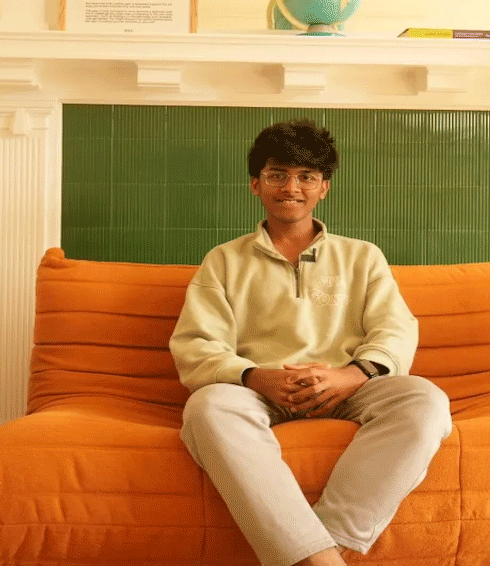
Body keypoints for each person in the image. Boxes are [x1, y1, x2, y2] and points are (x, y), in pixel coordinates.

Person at [169, 118, 453, 566]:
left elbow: (395, 329)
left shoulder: (363, 256)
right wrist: (257, 377)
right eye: (277, 174)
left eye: (306, 176)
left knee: (425, 400)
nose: (291, 187)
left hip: (348, 387)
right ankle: (319, 558)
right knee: (206, 408)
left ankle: (323, 547)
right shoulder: (222, 261)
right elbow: (197, 344)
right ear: (255, 184)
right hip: (259, 390)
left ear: (324, 188)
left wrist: (350, 376)